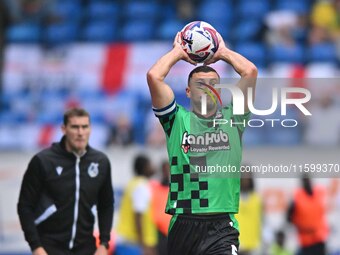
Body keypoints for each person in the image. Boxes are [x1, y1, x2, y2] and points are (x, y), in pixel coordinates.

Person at [146, 30, 257, 254]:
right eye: (200, 84)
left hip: (221, 227)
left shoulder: (233, 118)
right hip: (183, 224)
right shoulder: (177, 120)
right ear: (188, 91)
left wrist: (223, 52)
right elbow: (154, 76)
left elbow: (250, 72)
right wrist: (178, 52)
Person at [17, 108, 114, 255]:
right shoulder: (43, 161)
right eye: (75, 127)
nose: (80, 132)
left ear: (90, 129)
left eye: (84, 127)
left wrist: (104, 243)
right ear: (64, 129)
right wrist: (36, 246)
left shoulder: (100, 162)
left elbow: (106, 205)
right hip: (49, 247)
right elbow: (25, 206)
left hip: (86, 247)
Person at [115, 154, 157, 255]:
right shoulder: (141, 186)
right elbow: (138, 216)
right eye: (150, 165)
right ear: (144, 168)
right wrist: (144, 246)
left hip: (126, 240)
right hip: (133, 243)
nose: (153, 167)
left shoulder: (132, 183)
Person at [287, 174, 329, 255]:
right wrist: (301, 227)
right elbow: (288, 218)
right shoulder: (297, 197)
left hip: (320, 237)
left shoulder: (320, 193)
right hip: (306, 241)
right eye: (305, 181)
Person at [236, 171, 262, 255]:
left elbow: (262, 220)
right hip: (237, 243)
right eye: (243, 178)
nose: (245, 181)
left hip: (253, 245)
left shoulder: (257, 198)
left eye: (247, 178)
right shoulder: (234, 197)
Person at [150, 160, 171, 255]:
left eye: (168, 169)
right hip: (158, 232)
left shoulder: (176, 188)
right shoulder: (154, 187)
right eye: (164, 169)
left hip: (173, 230)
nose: (166, 171)